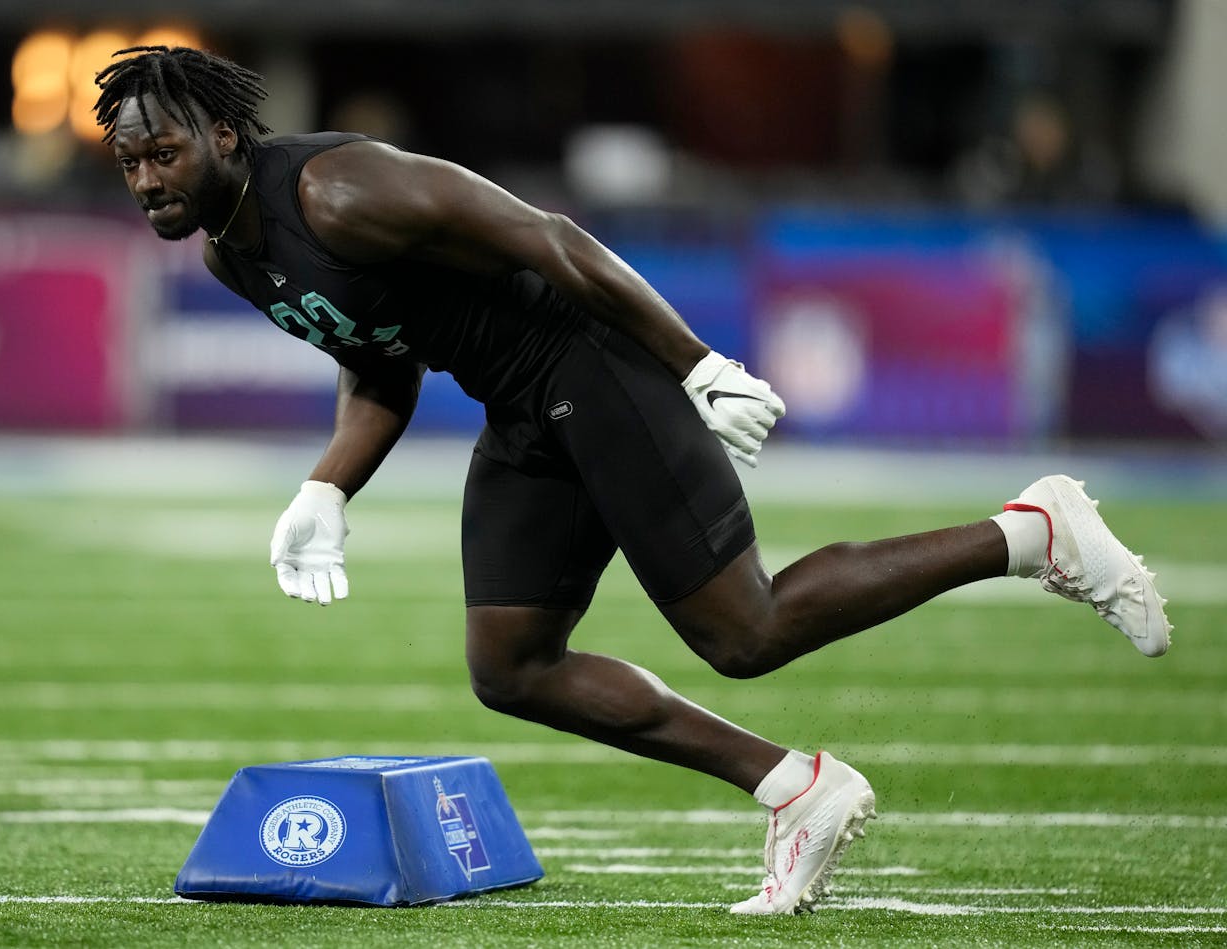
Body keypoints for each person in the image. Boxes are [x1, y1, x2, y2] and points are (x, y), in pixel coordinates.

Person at [93, 47, 1172, 915]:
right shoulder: (231, 252)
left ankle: (1030, 530)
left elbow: (550, 235)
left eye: (163, 153)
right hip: (518, 401)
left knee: (743, 631)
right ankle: (797, 788)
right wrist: (327, 486)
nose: (146, 179)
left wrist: (693, 363)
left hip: (589, 363)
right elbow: (379, 362)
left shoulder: (337, 187)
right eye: (129, 161)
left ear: (223, 135)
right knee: (510, 663)